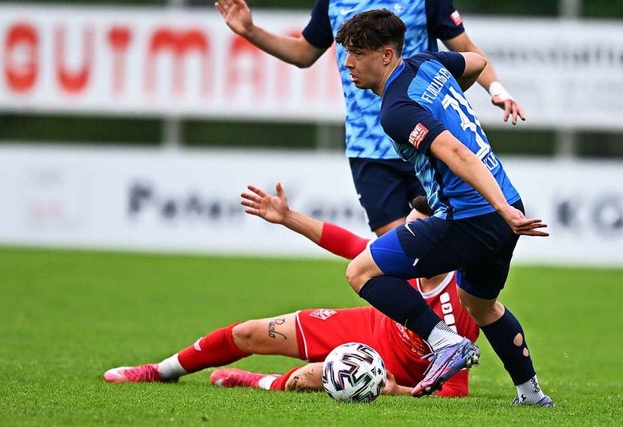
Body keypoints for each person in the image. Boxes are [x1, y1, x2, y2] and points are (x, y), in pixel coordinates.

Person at [334, 10, 553, 406]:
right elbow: (477, 62)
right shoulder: (427, 64)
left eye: (356, 53)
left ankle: (442, 341)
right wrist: (483, 93)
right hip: (502, 205)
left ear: (386, 55)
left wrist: (501, 209)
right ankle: (531, 394)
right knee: (480, 305)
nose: (347, 64)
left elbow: (454, 150)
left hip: (470, 217)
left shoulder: (396, 109)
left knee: (361, 272)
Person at [104, 186, 479, 397]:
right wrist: (287, 217)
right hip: (365, 327)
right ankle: (160, 371)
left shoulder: (463, 302)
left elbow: (455, 392)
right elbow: (346, 242)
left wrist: (395, 391)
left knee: (310, 379)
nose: (402, 238)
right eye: (404, 230)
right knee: (246, 332)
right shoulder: (398, 257)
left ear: (435, 241)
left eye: (412, 233)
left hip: (395, 371)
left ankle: (254, 380)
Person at [214, 0, 524, 237]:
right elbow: (303, 53)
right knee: (401, 257)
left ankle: (449, 321)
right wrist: (249, 30)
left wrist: (496, 88)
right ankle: (432, 324)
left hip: (427, 142)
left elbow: (465, 49)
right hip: (369, 148)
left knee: (442, 255)